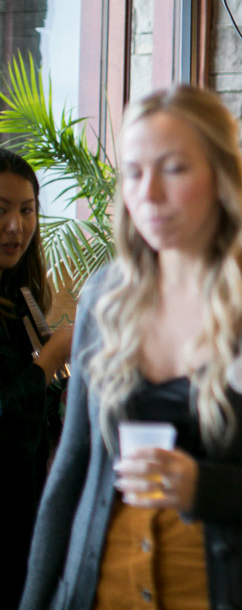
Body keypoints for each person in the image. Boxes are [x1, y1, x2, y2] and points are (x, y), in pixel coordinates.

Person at [20, 85, 242, 610]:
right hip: (98, 591)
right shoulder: (105, 297)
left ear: (221, 178)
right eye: (135, 172)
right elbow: (70, 475)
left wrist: (207, 487)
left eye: (174, 169)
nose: (150, 194)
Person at [0, 149, 73, 609]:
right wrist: (49, 361)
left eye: (27, 210)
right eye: (1, 209)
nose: (15, 226)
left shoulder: (19, 295)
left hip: (24, 511)